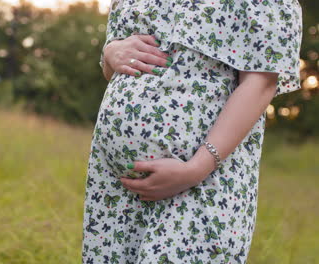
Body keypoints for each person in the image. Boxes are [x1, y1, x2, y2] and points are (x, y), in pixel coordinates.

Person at [81, 0, 303, 263]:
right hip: (114, 189)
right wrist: (111, 52)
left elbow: (262, 81)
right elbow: (115, 70)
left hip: (200, 181)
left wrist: (196, 168)